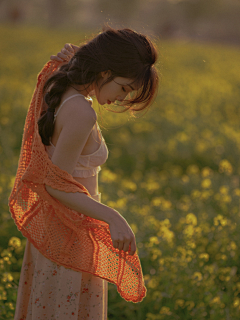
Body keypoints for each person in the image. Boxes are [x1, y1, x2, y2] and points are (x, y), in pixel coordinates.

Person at [12, 26, 159, 320]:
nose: (121, 98)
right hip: (70, 237)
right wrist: (114, 217)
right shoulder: (81, 111)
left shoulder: (64, 90)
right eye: (125, 88)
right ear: (106, 71)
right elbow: (56, 185)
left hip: (61, 234)